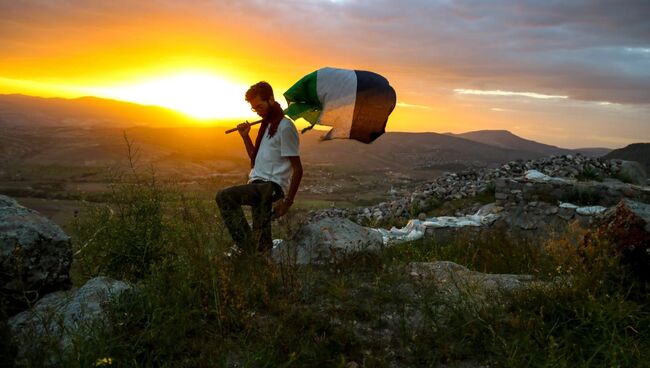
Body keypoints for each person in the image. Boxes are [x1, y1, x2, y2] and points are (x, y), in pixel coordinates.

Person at [216, 81, 303, 254]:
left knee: (224, 197)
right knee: (262, 242)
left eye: (260, 106)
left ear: (271, 99)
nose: (258, 111)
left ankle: (248, 250)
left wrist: (288, 202)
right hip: (257, 184)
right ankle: (259, 259)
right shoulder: (266, 126)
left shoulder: (285, 127)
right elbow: (255, 158)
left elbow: (298, 169)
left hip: (270, 187)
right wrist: (245, 137)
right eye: (254, 109)